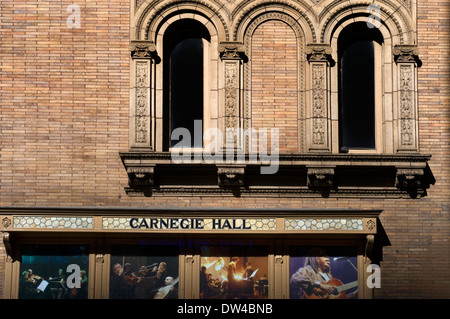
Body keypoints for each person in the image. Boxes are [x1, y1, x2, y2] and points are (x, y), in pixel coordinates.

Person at [290, 248, 356, 299]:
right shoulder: (307, 270)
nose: (328, 259)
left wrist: (354, 293)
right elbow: (294, 279)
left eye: (328, 257)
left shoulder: (329, 276)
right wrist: (319, 285)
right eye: (324, 256)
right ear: (315, 258)